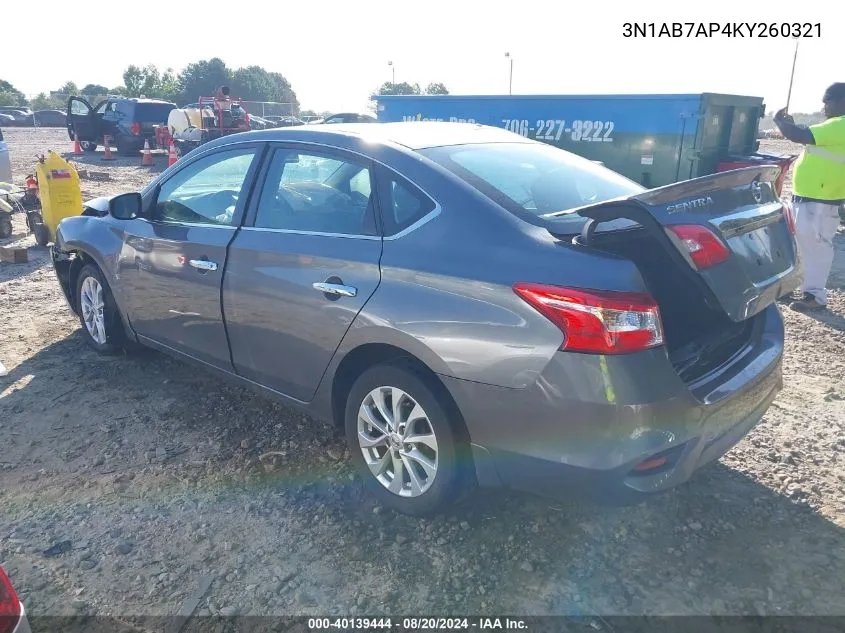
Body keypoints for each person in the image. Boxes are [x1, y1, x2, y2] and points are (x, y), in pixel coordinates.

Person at [773, 82, 845, 312]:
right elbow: (808, 137)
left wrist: (780, 122)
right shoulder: (833, 126)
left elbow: (799, 135)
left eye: (828, 101)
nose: (824, 106)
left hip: (820, 200)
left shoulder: (840, 125)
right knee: (803, 246)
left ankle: (815, 296)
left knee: (817, 248)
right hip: (811, 198)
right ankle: (800, 289)